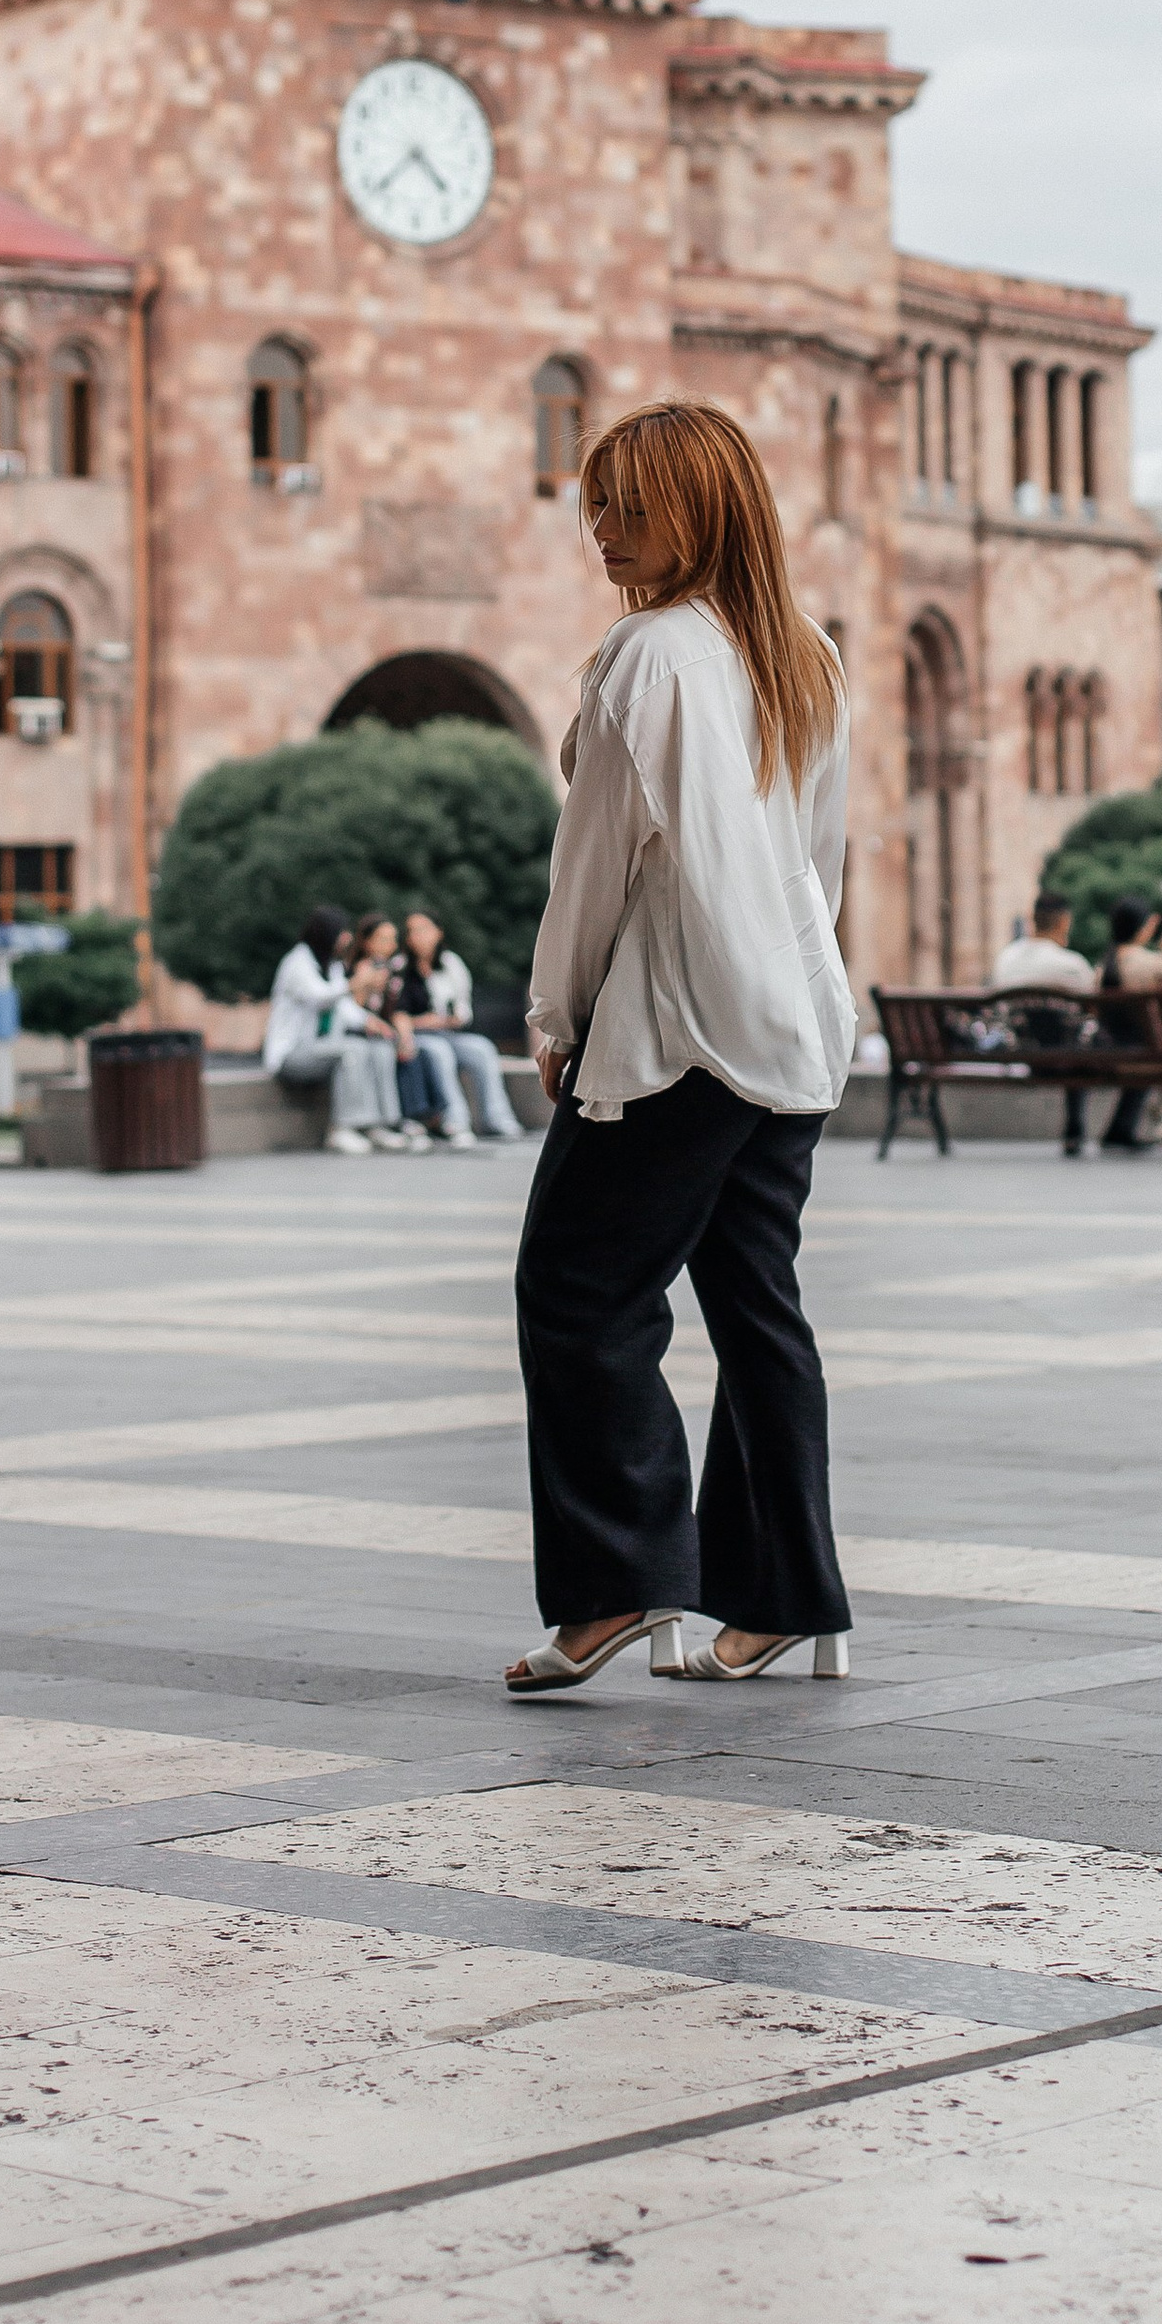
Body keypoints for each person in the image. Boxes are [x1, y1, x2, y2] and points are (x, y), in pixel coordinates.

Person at [506, 396, 857, 1696]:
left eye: (632, 507)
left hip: (677, 1033)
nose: (603, 529)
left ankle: (617, 1586)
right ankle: (786, 1600)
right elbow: (820, 859)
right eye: (594, 503)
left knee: (579, 1294)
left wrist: (559, 1015)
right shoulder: (805, 653)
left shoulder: (647, 655)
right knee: (758, 1309)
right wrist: (800, 984)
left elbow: (594, 864)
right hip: (793, 1027)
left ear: (700, 512)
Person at [261, 907, 404, 1153]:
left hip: (323, 1047)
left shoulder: (332, 965)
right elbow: (320, 997)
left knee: (377, 1047)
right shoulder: (297, 963)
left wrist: (370, 1022)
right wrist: (356, 983)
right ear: (327, 933)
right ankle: (342, 1129)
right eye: (341, 932)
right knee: (352, 1050)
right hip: (292, 1054)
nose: (347, 938)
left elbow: (344, 1008)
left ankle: (378, 1124)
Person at [393, 908, 523, 1144]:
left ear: (438, 932)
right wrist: (423, 1022)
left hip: (449, 1032)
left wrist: (447, 1019)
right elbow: (395, 1012)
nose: (417, 936)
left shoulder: (451, 964)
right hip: (418, 1036)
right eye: (411, 931)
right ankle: (455, 1120)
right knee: (439, 1053)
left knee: (482, 1049)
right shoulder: (400, 967)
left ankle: (497, 1118)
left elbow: (463, 1011)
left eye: (423, 929)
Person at [993, 893, 1099, 1158]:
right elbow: (1095, 1004)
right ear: (1063, 922)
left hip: (1021, 1050)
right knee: (1081, 1042)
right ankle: (1076, 1131)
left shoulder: (1006, 959)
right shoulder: (1071, 965)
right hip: (1066, 1057)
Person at [1095, 899, 1162, 1158]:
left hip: (1113, 1057)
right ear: (1146, 926)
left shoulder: (1100, 969)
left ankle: (1156, 1120)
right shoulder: (1153, 963)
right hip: (1159, 1058)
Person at [342, 919, 436, 1150]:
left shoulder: (395, 970)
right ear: (366, 942)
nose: (390, 945)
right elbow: (353, 1010)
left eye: (392, 938)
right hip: (361, 1035)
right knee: (382, 1052)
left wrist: (401, 1031)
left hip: (386, 1034)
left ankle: (408, 1118)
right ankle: (383, 1122)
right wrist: (366, 984)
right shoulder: (357, 969)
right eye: (382, 939)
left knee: (410, 1051)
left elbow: (399, 1008)